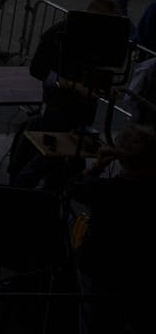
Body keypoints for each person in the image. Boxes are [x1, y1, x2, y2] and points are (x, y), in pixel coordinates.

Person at [66, 124, 156, 334]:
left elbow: (73, 186)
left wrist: (97, 166)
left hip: (100, 270)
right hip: (143, 273)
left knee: (94, 322)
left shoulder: (105, 190)